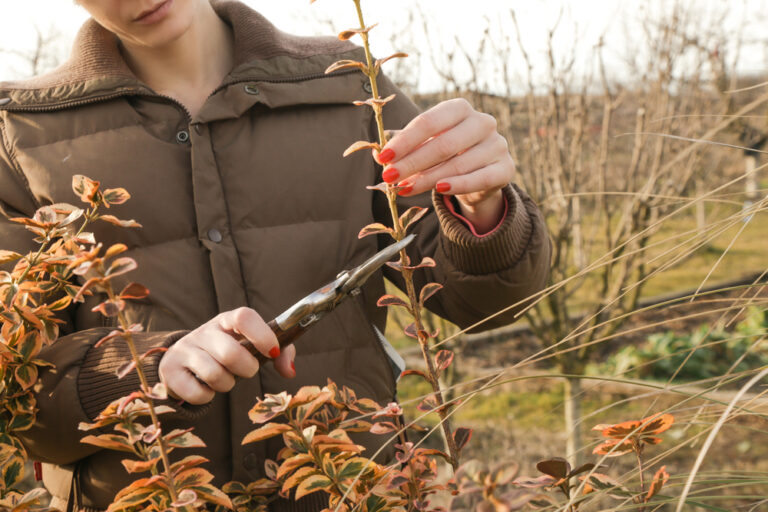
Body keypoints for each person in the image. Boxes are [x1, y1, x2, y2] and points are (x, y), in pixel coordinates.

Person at [0, 1, 551, 510]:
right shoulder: (21, 135)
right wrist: (143, 370)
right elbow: (15, 392)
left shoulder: (347, 84)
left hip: (353, 490)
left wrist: (483, 211)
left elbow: (490, 306)